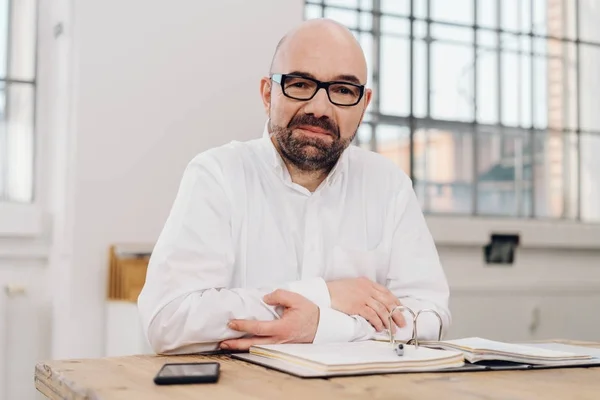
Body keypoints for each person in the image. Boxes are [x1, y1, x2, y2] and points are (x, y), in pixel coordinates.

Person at [137, 18, 450, 355]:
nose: (319, 108)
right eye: (300, 84)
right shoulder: (217, 175)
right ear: (267, 92)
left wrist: (322, 326)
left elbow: (429, 315)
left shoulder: (389, 185)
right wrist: (325, 295)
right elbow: (168, 320)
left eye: (343, 91)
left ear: (363, 104)